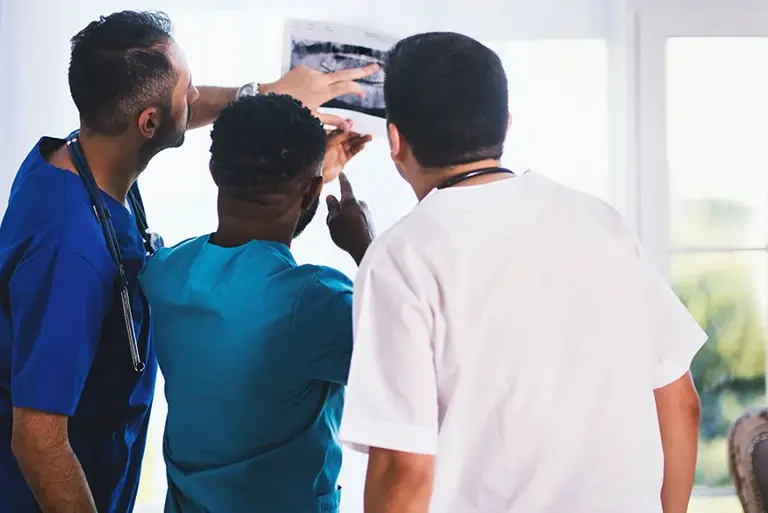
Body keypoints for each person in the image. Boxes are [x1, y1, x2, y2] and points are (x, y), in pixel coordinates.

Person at [0, 10, 377, 513]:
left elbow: (158, 115)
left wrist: (265, 98)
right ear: (150, 122)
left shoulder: (75, 161)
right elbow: (38, 441)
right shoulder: (70, 252)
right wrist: (361, 245)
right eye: (189, 89)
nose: (199, 99)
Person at [339, 32, 706, 513]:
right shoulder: (601, 222)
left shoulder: (399, 257)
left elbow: (402, 469)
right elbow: (680, 404)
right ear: (506, 125)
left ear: (394, 139)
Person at [139, 93, 375, 513]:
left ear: (214, 172)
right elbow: (413, 360)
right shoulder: (316, 303)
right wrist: (368, 251)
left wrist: (311, 179)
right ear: (312, 193)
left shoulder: (164, 273)